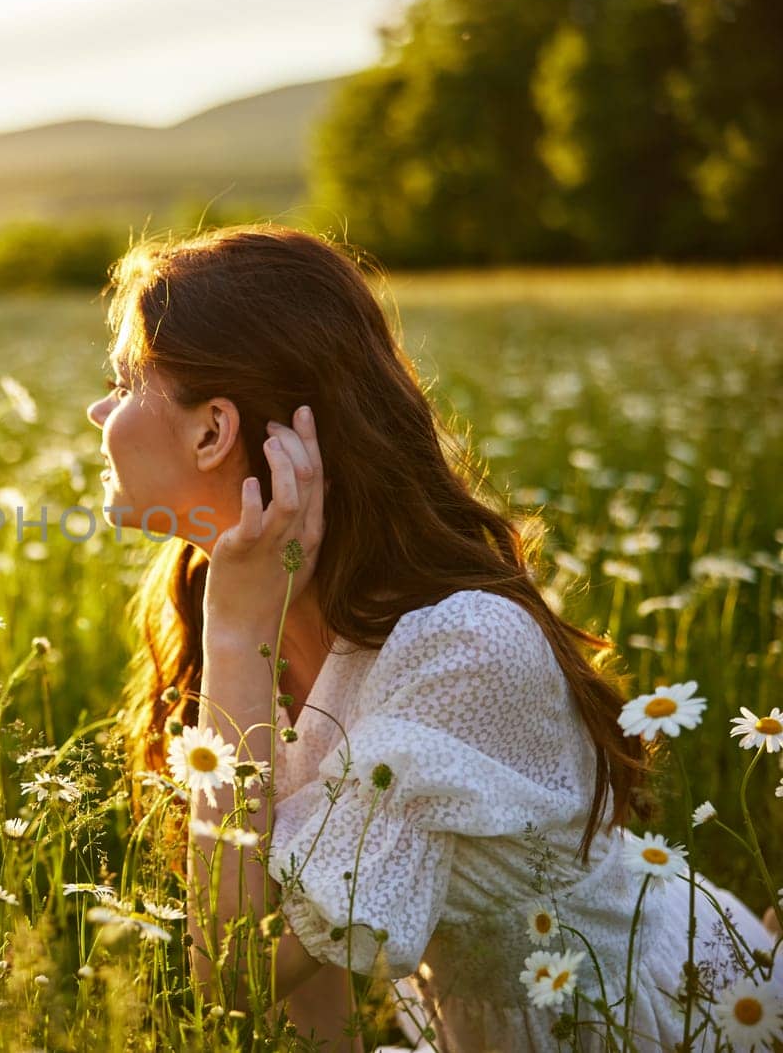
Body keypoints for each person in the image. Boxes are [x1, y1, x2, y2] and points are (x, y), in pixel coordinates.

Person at [84, 223, 777, 1051]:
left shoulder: (460, 651)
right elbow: (294, 1007)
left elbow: (228, 972)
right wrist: (235, 633)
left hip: (664, 1020)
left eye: (125, 381)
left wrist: (238, 642)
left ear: (212, 430)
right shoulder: (232, 599)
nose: (99, 409)